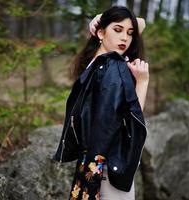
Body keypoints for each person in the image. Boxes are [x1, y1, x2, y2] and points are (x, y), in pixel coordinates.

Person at [53, 6, 149, 200]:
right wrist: (143, 81)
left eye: (130, 33)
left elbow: (140, 23)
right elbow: (132, 118)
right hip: (109, 167)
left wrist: (103, 20)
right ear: (100, 32)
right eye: (118, 30)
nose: (125, 38)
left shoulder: (94, 62)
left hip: (90, 162)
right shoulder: (113, 66)